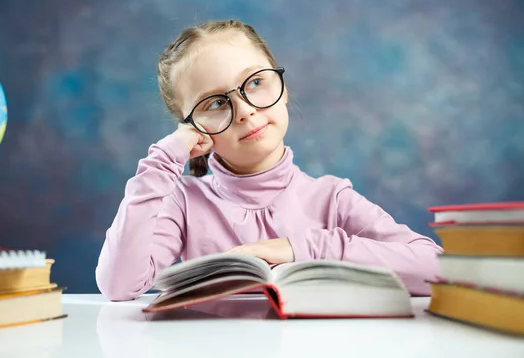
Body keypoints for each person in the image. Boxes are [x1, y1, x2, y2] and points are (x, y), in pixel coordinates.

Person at [95, 19, 443, 301]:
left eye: (256, 82)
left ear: (282, 86)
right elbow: (118, 285)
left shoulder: (331, 198)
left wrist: (299, 248)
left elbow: (438, 268)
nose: (245, 111)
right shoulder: (185, 201)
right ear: (193, 128)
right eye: (215, 103)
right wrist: (165, 160)